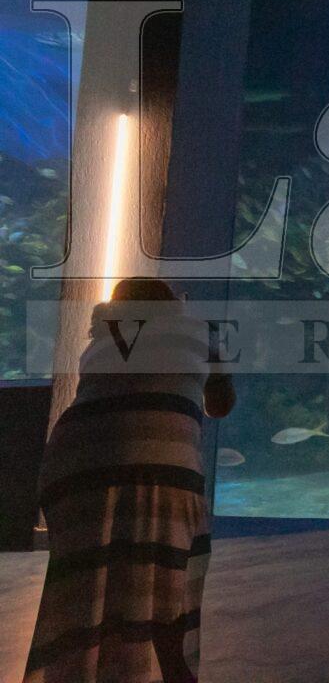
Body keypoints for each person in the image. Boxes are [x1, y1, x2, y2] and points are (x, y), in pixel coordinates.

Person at [26, 278, 236, 683]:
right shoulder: (201, 330)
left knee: (85, 586)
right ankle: (176, 674)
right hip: (164, 465)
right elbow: (220, 405)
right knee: (168, 581)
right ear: (172, 303)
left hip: (72, 466)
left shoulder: (99, 342)